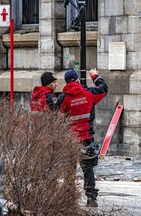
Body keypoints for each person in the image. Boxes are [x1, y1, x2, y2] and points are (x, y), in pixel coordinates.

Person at [57, 68, 108, 207]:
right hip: (86, 139)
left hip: (70, 139)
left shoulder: (63, 98)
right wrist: (95, 75)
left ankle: (69, 197)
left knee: (69, 169)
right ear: (78, 80)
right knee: (87, 169)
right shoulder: (88, 93)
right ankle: (91, 198)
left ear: (67, 82)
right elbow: (103, 89)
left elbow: (57, 117)